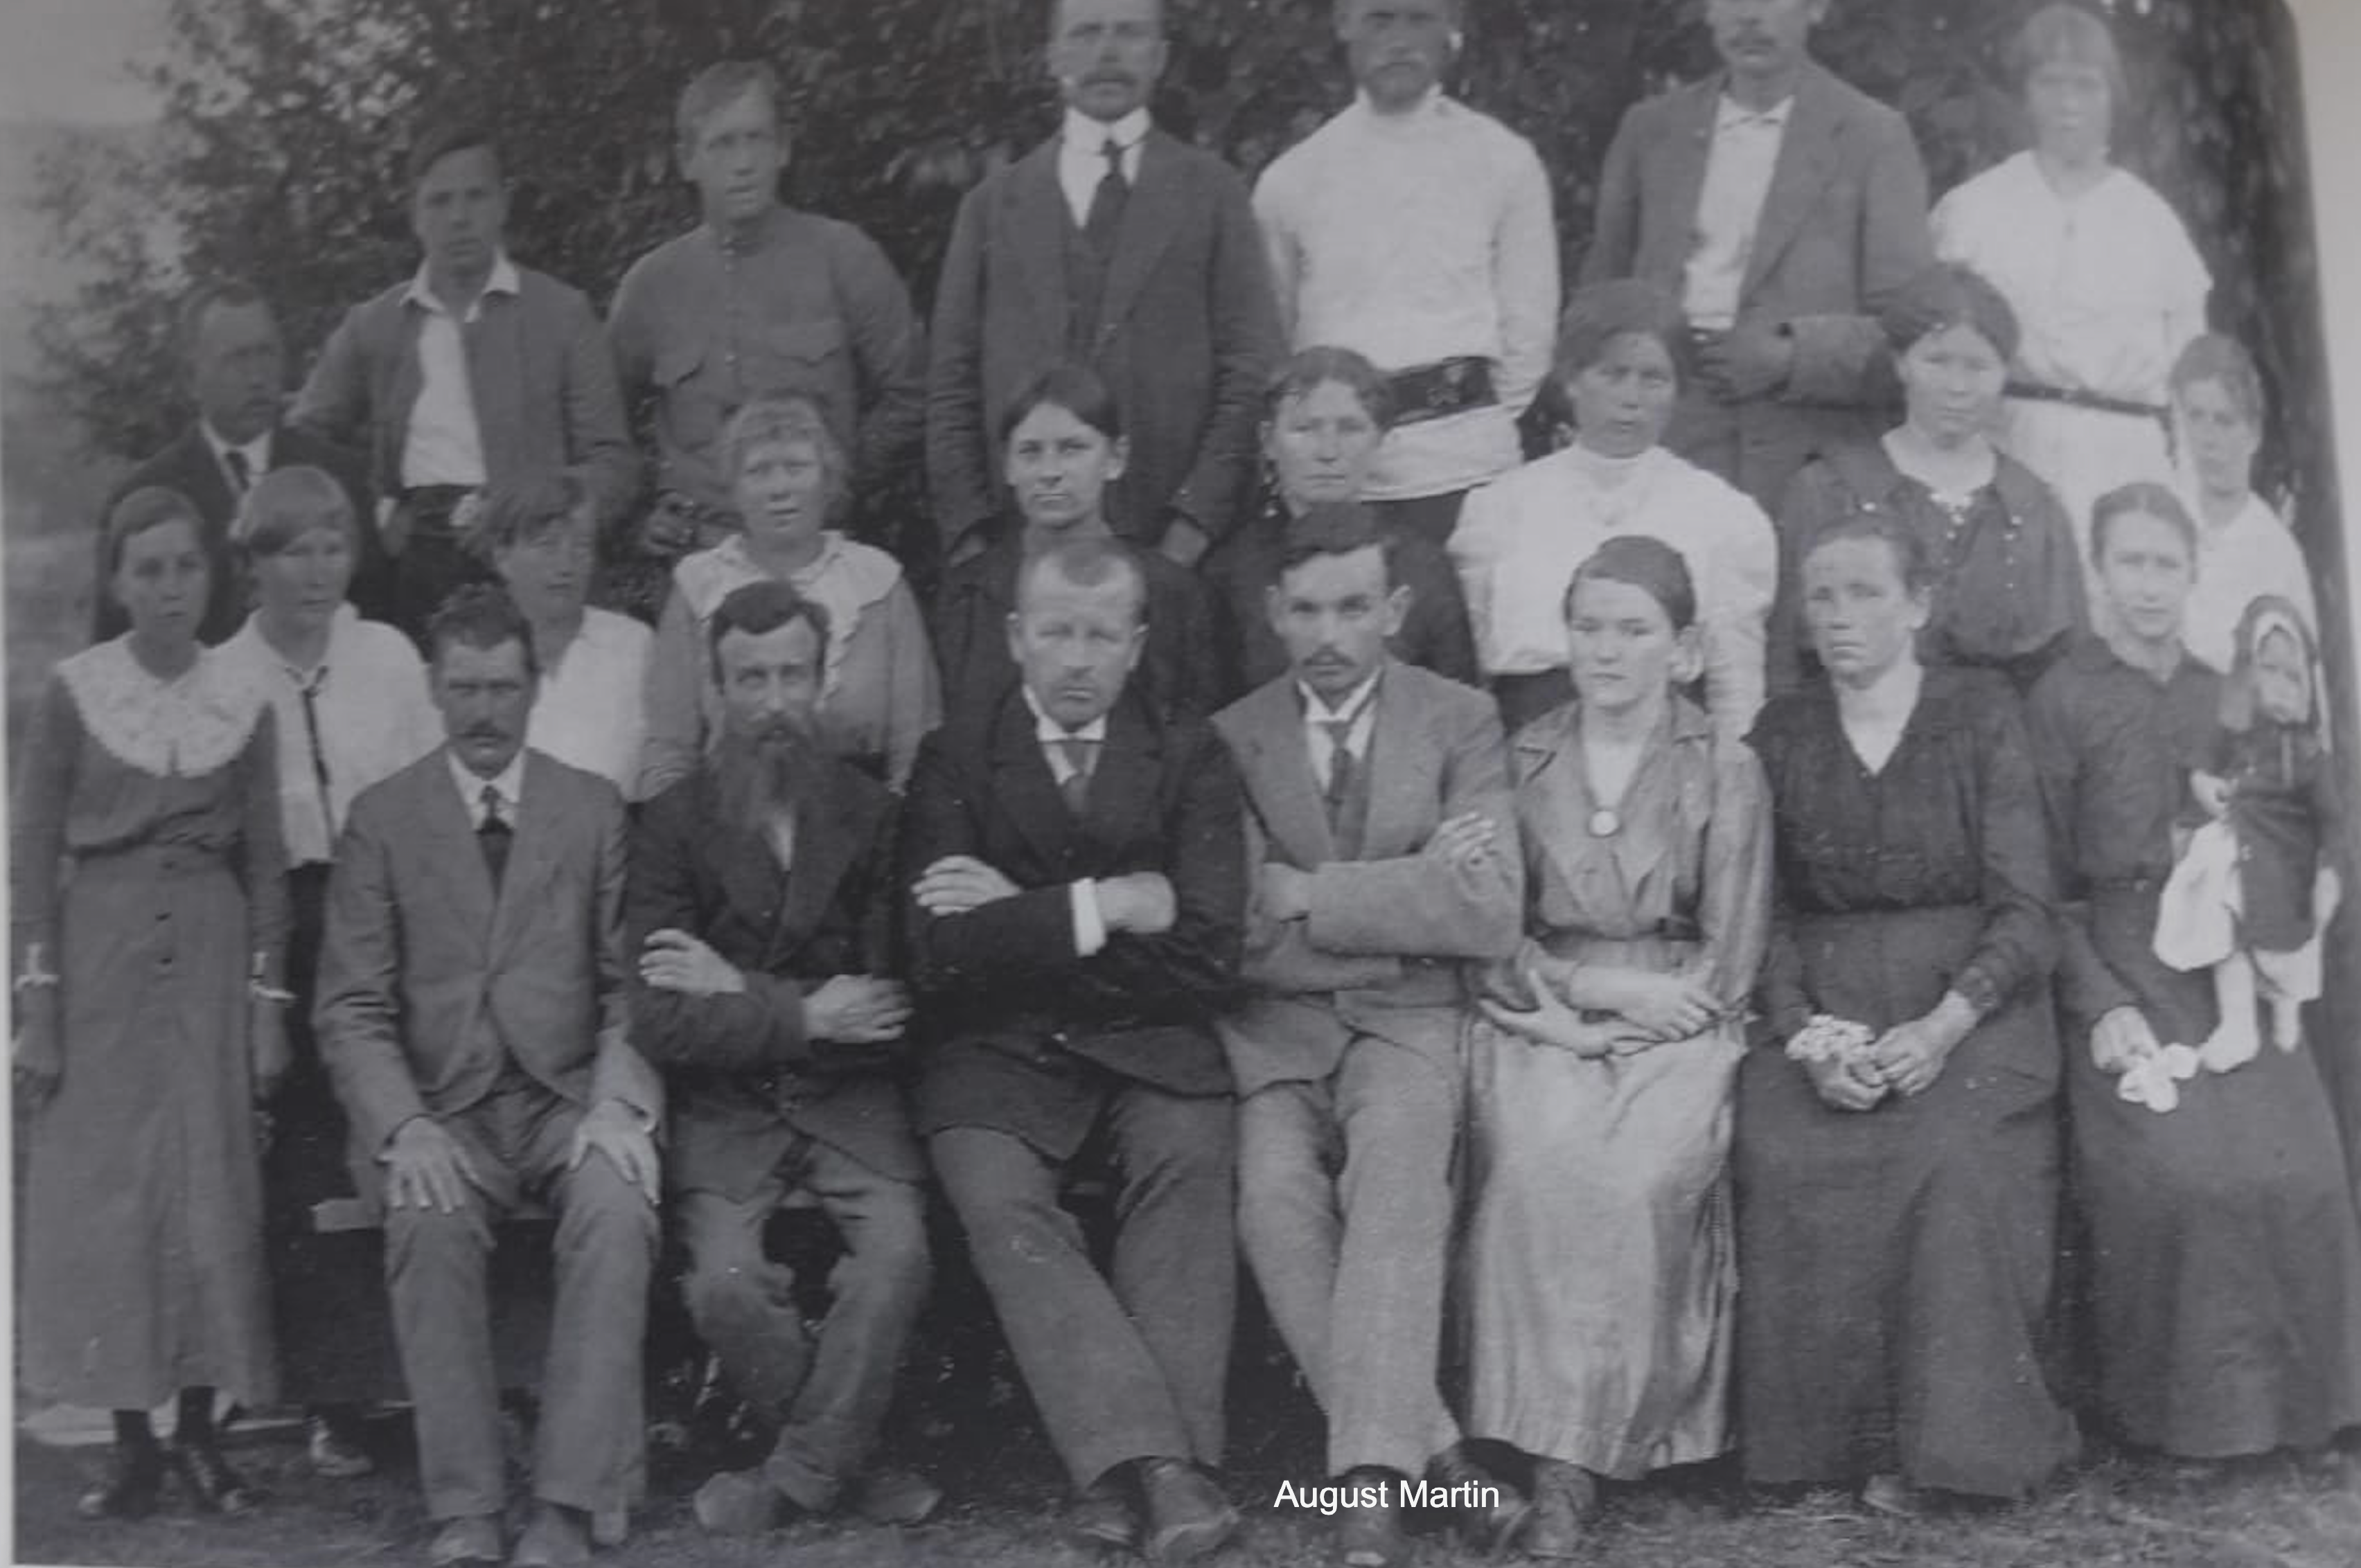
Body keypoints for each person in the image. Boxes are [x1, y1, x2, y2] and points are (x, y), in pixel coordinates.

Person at [905, 537, 1247, 1562]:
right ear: (1016, 637)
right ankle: (1166, 1472)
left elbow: (1206, 958)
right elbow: (936, 959)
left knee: (1187, 1160)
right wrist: (1102, 906)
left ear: (1138, 644)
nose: (1078, 657)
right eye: (1055, 630)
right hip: (993, 1057)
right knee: (1003, 1203)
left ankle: (1115, 1484)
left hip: (1152, 1043)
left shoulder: (1189, 754)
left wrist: (1019, 918)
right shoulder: (955, 757)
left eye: (1103, 634)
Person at [315, 586, 662, 1568]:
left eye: (502, 688)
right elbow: (351, 1006)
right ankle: (465, 1508)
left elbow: (627, 986)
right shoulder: (384, 819)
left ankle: (563, 1507)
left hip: (563, 1100)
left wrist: (614, 1101)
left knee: (618, 1201)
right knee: (424, 1215)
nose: (483, 712)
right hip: (444, 1109)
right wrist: (401, 1127)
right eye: (463, 688)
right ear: (433, 688)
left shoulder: (590, 808)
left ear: (533, 686)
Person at [1735, 512, 2074, 1512]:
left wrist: (1944, 1026)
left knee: (1950, 1157)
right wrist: (1803, 1034)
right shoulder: (1782, 732)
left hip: (1974, 1000)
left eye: (1865, 593)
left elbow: (2025, 908)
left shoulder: (1980, 716)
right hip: (1831, 1002)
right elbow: (1769, 908)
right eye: (1823, 595)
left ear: (1919, 605)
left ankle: (1954, 1454)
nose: (1839, 617)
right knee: (1789, 1149)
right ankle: (1823, 1446)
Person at [1212, 504, 1526, 1567]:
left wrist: (1315, 892)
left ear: (1395, 609)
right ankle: (1437, 1462)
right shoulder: (1234, 735)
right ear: (1273, 614)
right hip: (1274, 1034)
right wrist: (1407, 903)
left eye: (1354, 607)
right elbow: (1242, 931)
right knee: (1272, 1204)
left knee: (1397, 1184)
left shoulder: (1460, 720)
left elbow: (1488, 912)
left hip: (1407, 1030)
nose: (1330, 636)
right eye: (1307, 611)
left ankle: (1363, 1492)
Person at [2024, 482, 2361, 1462]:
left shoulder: (2227, 693)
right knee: (2186, 1173)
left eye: (2166, 564)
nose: (2147, 586)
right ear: (2098, 573)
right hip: (2118, 956)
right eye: (2128, 563)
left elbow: (2288, 828)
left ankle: (2306, 1410)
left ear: (2193, 574)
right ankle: (2195, 1421)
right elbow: (2041, 884)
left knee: (2296, 1159)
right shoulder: (2064, 699)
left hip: (2230, 958)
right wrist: (2101, 1002)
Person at [1458, 537, 1771, 1556]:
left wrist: (1642, 1004)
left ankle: (1575, 1464)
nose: (1606, 650)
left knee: (1634, 1176)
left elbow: (1729, 961)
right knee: (1535, 1164)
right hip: (1541, 1009)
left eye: (1632, 630)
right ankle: (1532, 1439)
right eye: (1589, 626)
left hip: (1681, 1018)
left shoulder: (1725, 766)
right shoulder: (1523, 755)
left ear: (1681, 650)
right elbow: (1496, 932)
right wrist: (1580, 998)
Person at [627, 580, 936, 1536]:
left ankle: (792, 1482)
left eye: (791, 674)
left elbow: (886, 1003)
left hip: (852, 1104)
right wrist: (800, 1011)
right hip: (730, 1113)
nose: (771, 701)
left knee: (898, 1258)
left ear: (823, 678)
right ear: (716, 691)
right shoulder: (671, 822)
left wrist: (737, 986)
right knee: (720, 1287)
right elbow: (659, 1017)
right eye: (748, 678)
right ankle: (856, 1466)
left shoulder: (875, 814)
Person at [14, 485, 290, 1520]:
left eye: (186, 568)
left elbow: (266, 866)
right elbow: (31, 859)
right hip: (103, 965)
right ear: (118, 581)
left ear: (210, 575)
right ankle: (130, 1439)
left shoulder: (243, 697)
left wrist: (267, 1006)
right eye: (149, 570)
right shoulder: (76, 694)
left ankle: (202, 1435)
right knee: (116, 1198)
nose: (170, 589)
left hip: (214, 962)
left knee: (211, 1189)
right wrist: (35, 1008)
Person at [214, 465, 441, 1478]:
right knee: (303, 1155)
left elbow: (430, 797)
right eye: (292, 550)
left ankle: (421, 1373)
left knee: (393, 1123)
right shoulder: (224, 678)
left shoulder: (387, 656)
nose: (316, 572)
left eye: (333, 546)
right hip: (277, 929)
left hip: (386, 908)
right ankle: (334, 1394)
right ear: (253, 565)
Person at [927, 0, 1279, 565]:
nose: (1108, 53)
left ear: (1161, 56)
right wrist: (973, 541)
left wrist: (1192, 528)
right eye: (1087, 33)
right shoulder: (992, 207)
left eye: (1130, 33)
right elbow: (952, 383)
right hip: (1023, 557)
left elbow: (1250, 370)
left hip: (1180, 555)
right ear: (1053, 55)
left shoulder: (1213, 194)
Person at [290, 119, 637, 643]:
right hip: (414, 564)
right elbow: (304, 441)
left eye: (475, 197)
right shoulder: (376, 325)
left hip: (530, 557)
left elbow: (614, 463)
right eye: (439, 201)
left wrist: (539, 513)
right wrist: (378, 515)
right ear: (414, 215)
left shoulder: (561, 314)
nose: (459, 218)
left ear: (502, 204)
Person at [1584, 0, 1932, 510]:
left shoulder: (1873, 136)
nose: (1750, 17)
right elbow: (1601, 300)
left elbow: (1911, 327)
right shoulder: (1652, 129)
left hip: (1806, 452)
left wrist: (1793, 356)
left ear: (1816, 8)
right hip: (1667, 436)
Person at [610, 60, 927, 589]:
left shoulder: (843, 257)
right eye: (722, 145)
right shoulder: (652, 286)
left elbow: (915, 393)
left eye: (756, 140)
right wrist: (640, 516)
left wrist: (838, 478)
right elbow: (601, 428)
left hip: (820, 557)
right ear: (688, 161)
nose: (743, 164)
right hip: (696, 564)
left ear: (783, 149)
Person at [1253, 0, 1558, 546]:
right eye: (1381, 19)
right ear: (1344, 23)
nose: (1400, 40)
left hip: (1469, 467)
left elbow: (1529, 328)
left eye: (1419, 18)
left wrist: (1467, 424)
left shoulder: (1504, 161)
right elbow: (1276, 334)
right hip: (1341, 475)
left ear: (1452, 28)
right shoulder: (1292, 180)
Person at [1931, 3, 2210, 595]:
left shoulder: (2151, 223)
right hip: (2010, 440)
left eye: (2086, 85)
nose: (2068, 105)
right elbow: (1934, 353)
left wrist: (2188, 502)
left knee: (2114, 620)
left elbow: (2191, 384)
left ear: (2114, 97)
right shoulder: (1975, 210)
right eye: (2049, 83)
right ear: (2024, 94)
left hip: (2124, 453)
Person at [1449, 280, 1777, 738]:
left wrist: (1730, 782)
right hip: (1531, 748)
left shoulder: (1723, 515)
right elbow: (1475, 677)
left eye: (1654, 379)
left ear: (1679, 391)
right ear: (1572, 380)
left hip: (1669, 758)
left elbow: (1735, 686)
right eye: (1612, 373)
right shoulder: (1500, 507)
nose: (1631, 398)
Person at [1767, 264, 2085, 696]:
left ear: (2004, 374)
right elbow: (1785, 660)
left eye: (1978, 367)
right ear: (1901, 364)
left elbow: (2067, 676)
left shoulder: (2032, 507)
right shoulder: (1828, 490)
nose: (1958, 387)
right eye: (1937, 361)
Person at [641, 395, 939, 795]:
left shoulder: (878, 581)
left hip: (869, 825)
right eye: (759, 471)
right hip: (729, 820)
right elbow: (669, 749)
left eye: (797, 468)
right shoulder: (699, 585)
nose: (779, 489)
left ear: (828, 481)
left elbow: (918, 742)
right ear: (733, 489)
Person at [94, 278, 378, 643]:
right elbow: (113, 650)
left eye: (267, 353)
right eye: (236, 359)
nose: (258, 377)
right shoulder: (143, 495)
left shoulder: (341, 477)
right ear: (190, 378)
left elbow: (376, 620)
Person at [930, 364, 1217, 723]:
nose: (1050, 472)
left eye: (1072, 449)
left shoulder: (1172, 594)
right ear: (1008, 466)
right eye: (1030, 452)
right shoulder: (969, 596)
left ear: (1116, 458)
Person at [1201, 347, 1477, 703]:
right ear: (1268, 441)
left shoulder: (1422, 566)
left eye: (1350, 429)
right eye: (1305, 429)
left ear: (1379, 440)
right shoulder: (1229, 574)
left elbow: (1458, 710)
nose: (1328, 451)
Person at [2154, 597, 2341, 1069]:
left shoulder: (2310, 756)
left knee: (2281, 953)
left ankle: (2284, 1002)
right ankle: (2237, 1026)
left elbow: (2333, 820)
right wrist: (2204, 784)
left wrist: (2330, 871)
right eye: (2268, 671)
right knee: (2225, 933)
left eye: (2291, 676)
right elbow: (2200, 764)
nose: (2278, 688)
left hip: (2285, 866)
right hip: (2237, 851)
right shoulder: (2236, 728)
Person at [479, 472, 656, 802]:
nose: (566, 565)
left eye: (582, 547)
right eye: (548, 546)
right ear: (502, 557)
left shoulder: (633, 645)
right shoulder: (474, 655)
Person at [2168, 334, 2322, 674]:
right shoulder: (2166, 519)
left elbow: (2300, 685)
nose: (2207, 440)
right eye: (2196, 417)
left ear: (2253, 434)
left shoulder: (2275, 551)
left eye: (2224, 421)